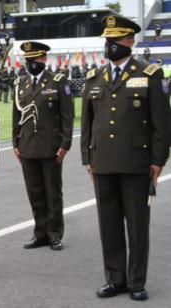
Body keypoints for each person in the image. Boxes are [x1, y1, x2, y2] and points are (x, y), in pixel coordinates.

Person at [81, 16, 171, 301]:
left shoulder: (150, 74)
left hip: (136, 163)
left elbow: (162, 124)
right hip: (103, 163)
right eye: (107, 40)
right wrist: (88, 157)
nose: (109, 45)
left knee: (136, 225)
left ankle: (136, 281)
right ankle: (115, 279)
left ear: (130, 41)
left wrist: (158, 161)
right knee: (108, 225)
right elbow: (88, 123)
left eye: (115, 40)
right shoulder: (94, 77)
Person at [12, 41, 74, 252]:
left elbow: (67, 115)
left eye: (36, 59)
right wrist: (15, 142)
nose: (32, 63)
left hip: (51, 146)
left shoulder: (57, 81)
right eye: (28, 60)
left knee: (52, 192)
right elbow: (16, 116)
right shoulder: (20, 83)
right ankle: (40, 233)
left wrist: (65, 143)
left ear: (44, 59)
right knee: (35, 192)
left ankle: (55, 234)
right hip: (27, 145)